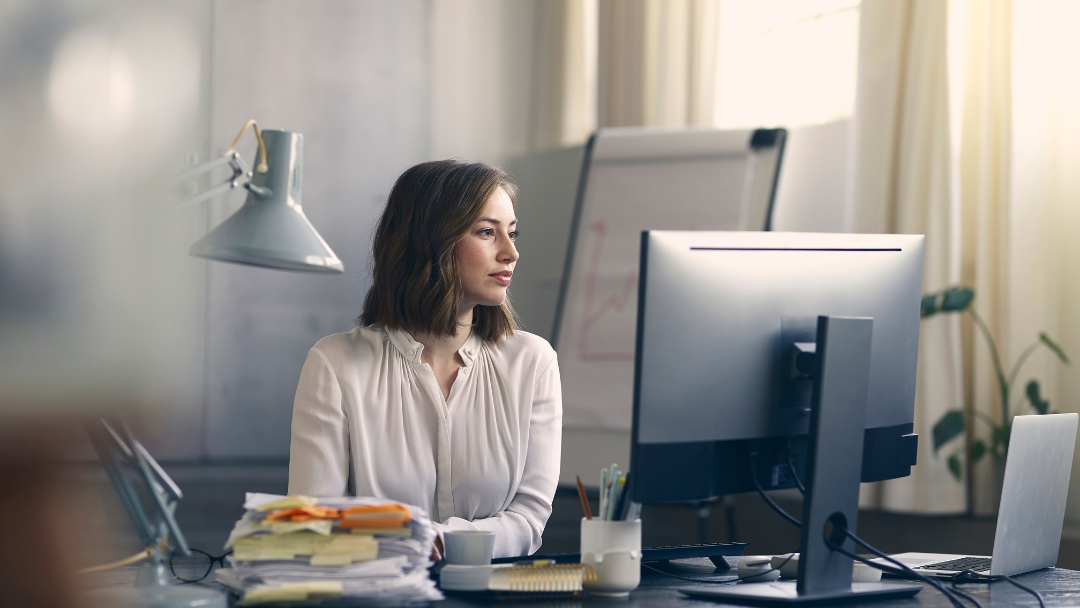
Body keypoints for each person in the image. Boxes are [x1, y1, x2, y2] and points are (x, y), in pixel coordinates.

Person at [288, 160, 562, 559]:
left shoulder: (533, 362)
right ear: (431, 242)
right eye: (488, 232)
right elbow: (314, 522)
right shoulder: (335, 363)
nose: (511, 252)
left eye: (512, 233)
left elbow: (529, 518)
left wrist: (433, 540)